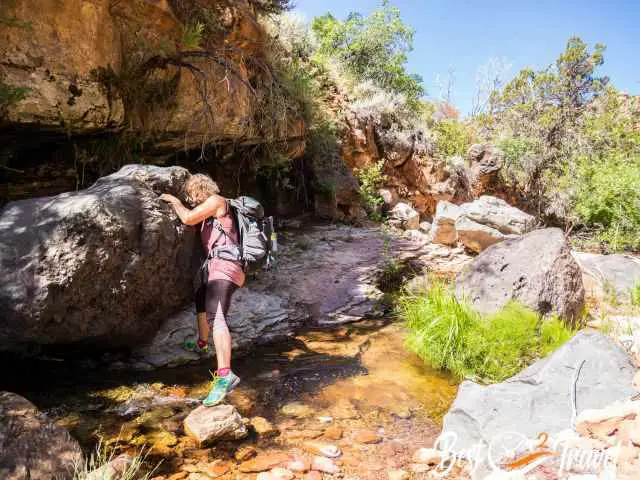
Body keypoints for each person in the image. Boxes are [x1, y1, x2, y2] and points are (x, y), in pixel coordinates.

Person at [160, 173, 244, 406]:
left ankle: (225, 375)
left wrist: (174, 201)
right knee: (200, 296)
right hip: (216, 266)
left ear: (199, 190)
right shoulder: (210, 211)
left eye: (191, 194)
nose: (190, 199)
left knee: (217, 317)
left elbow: (187, 218)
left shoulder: (217, 201)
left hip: (226, 267)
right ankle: (202, 343)